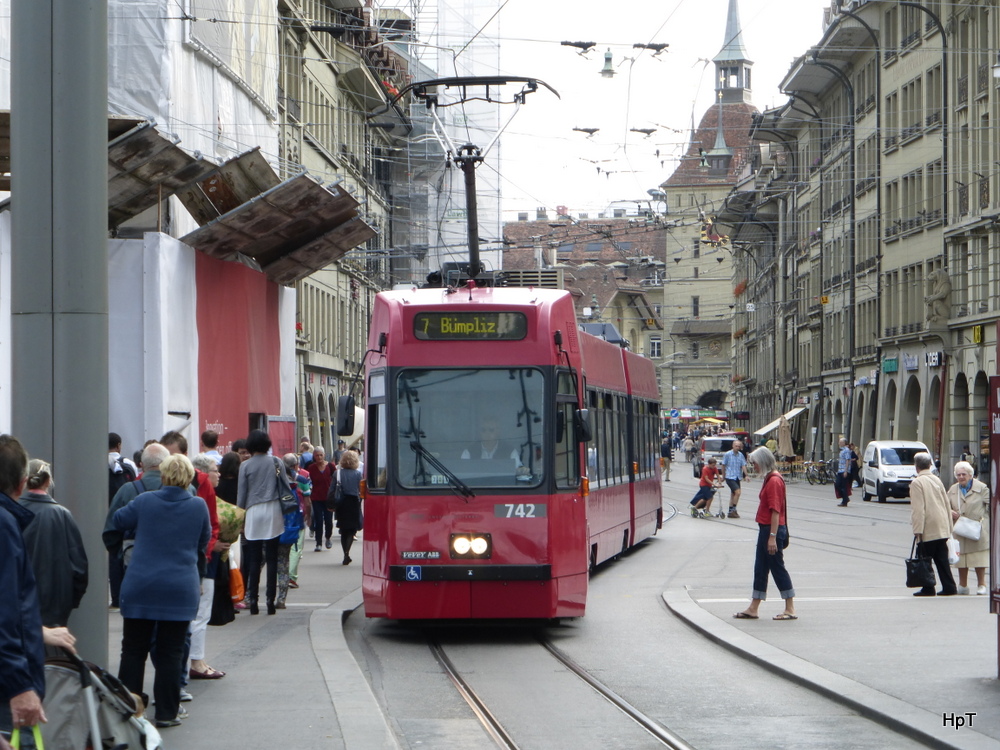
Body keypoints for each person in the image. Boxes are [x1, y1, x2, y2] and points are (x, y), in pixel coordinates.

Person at [113, 453, 211, 729]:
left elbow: (119, 519)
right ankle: (167, 712)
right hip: (179, 588)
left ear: (164, 475)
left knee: (133, 650)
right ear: (189, 477)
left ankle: (130, 710)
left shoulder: (144, 502)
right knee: (170, 652)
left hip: (141, 586)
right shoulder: (198, 506)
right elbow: (202, 541)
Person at [0, 435, 47, 742]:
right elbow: (5, 613)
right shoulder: (4, 526)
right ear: (22, 483)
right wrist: (19, 686)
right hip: (7, 688)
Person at [17, 459, 88, 627]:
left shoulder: (11, 512)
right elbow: (79, 567)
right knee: (52, 652)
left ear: (25, 480)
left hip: (16, 603)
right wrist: (70, 601)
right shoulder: (62, 515)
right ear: (48, 481)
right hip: (55, 607)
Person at [733, 447, 796, 621]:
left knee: (776, 567)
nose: (754, 466)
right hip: (767, 529)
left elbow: (775, 511)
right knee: (760, 568)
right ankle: (754, 607)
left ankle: (790, 607)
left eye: (755, 463)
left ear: (763, 462)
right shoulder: (770, 478)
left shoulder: (774, 481)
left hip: (771, 529)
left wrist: (772, 537)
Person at [237, 429, 285, 615]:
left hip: (253, 511)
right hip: (273, 509)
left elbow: (242, 495)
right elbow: (285, 487)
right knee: (272, 557)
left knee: (254, 558)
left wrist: (240, 519)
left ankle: (253, 601)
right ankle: (271, 601)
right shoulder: (276, 462)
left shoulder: (245, 466)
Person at [187, 454, 227, 679]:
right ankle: (197, 661)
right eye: (214, 469)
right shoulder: (204, 489)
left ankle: (197, 659)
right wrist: (213, 545)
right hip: (205, 557)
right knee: (202, 611)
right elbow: (210, 524)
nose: (218, 473)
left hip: (191, 556)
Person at [908, 452, 957, 597]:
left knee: (924, 558)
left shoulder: (917, 482)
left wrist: (918, 530)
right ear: (930, 465)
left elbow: (918, 509)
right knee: (942, 559)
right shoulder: (937, 479)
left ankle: (928, 587)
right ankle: (949, 586)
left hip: (928, 527)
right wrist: (949, 526)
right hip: (941, 526)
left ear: (916, 467)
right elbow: (946, 503)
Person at [947, 461, 990, 595]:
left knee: (979, 558)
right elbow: (945, 505)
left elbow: (991, 505)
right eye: (958, 475)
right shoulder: (953, 489)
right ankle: (963, 585)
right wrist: (949, 512)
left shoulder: (982, 488)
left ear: (970, 475)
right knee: (962, 559)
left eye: (963, 474)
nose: (961, 477)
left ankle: (981, 584)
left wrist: (985, 521)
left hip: (977, 528)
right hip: (960, 528)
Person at [277, 454, 306, 607]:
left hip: (273, 526)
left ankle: (251, 597)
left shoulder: (276, 481)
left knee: (262, 561)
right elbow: (306, 495)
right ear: (295, 466)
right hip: (292, 524)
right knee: (285, 559)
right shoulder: (298, 481)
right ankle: (281, 598)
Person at [331, 450, 363, 565]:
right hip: (353, 502)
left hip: (341, 503)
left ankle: (345, 553)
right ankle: (347, 553)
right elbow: (361, 491)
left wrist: (331, 504)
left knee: (343, 529)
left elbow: (332, 489)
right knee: (351, 530)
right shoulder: (358, 474)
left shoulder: (337, 473)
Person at [307, 446, 334, 552]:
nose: (319, 457)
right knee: (318, 520)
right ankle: (318, 543)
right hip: (316, 498)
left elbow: (336, 480)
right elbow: (307, 481)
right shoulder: (311, 468)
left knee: (328, 520)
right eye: (317, 455)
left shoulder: (330, 466)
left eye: (321, 455)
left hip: (328, 498)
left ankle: (328, 537)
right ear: (314, 456)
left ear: (324, 455)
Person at [720, 440, 747, 518]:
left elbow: (743, 465)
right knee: (738, 492)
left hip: (737, 476)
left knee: (733, 494)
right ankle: (733, 510)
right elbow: (723, 465)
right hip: (730, 476)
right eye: (736, 446)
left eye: (739, 446)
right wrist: (723, 476)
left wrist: (746, 475)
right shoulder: (728, 454)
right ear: (733, 446)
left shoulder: (740, 455)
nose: (737, 447)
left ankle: (730, 511)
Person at [835, 437, 852, 507]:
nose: (839, 443)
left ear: (844, 443)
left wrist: (846, 471)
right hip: (840, 470)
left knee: (843, 486)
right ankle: (845, 498)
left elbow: (848, 460)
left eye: (841, 442)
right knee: (837, 485)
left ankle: (844, 501)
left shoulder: (846, 450)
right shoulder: (842, 450)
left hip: (844, 470)